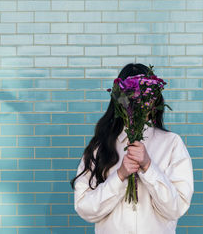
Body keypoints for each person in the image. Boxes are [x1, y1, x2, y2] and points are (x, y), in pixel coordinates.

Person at [70, 63, 194, 234]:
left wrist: (149, 167)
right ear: (120, 99)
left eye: (144, 95)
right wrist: (119, 176)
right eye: (130, 95)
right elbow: (84, 208)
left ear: (154, 100)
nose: (137, 102)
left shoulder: (172, 144)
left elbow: (176, 208)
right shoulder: (100, 147)